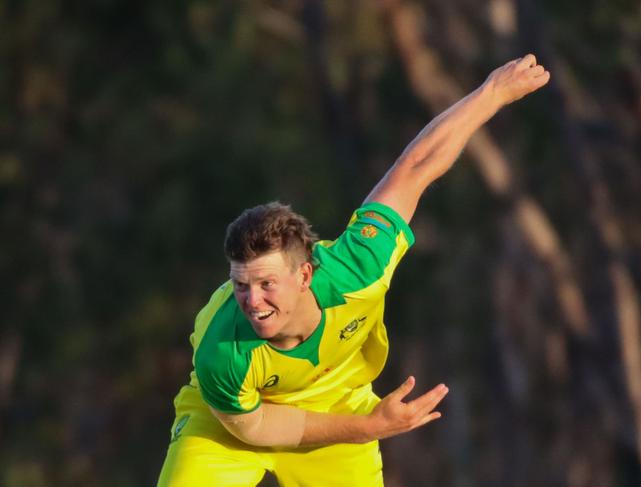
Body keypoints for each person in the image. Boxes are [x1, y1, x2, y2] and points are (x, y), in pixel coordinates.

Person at [157, 54, 550, 486]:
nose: (252, 301)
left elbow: (415, 168)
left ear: (305, 275)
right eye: (241, 285)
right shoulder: (221, 350)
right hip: (228, 425)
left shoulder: (357, 269)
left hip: (335, 406)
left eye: (267, 284)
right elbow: (261, 428)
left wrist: (492, 93)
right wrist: (371, 428)